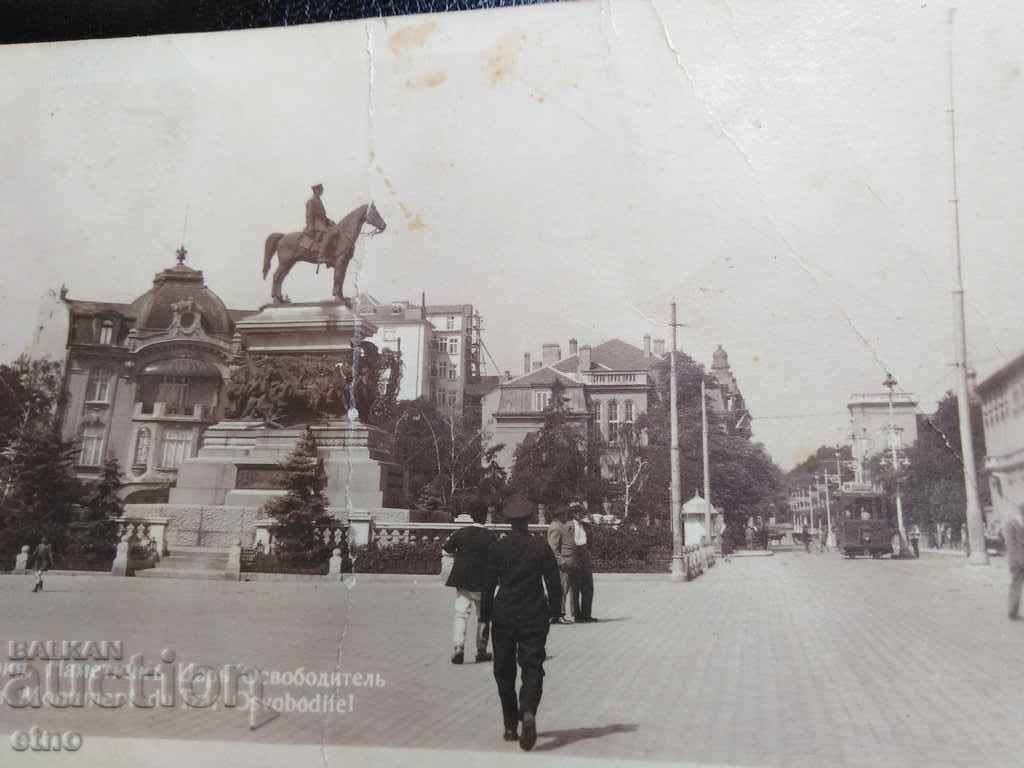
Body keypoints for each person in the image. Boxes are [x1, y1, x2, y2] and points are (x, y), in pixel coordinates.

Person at [480, 494, 562, 751]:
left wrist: (483, 619)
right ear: (528, 519)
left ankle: (509, 726)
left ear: (508, 521)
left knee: (504, 671)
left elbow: (488, 585)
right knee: (533, 667)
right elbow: (554, 583)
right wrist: (555, 611)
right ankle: (528, 711)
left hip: (503, 615)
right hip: (534, 614)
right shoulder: (541, 547)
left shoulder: (497, 548)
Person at [443, 505, 495, 665]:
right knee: (483, 616)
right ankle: (481, 649)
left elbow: (447, 549)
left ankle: (459, 647)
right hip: (483, 582)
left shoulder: (461, 532)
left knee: (461, 614)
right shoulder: (490, 536)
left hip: (463, 581)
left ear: (472, 517)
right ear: (485, 516)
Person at [546, 506, 576, 623]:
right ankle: (558, 615)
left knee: (563, 589)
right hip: (562, 565)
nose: (566, 517)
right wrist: (562, 562)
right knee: (561, 590)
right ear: (560, 515)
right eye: (565, 515)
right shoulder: (556, 527)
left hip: (566, 563)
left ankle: (558, 614)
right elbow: (553, 548)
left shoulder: (559, 526)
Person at [569, 504, 596, 622]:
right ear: (572, 514)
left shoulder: (586, 526)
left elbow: (591, 540)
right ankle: (577, 615)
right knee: (575, 587)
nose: (579, 515)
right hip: (574, 556)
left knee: (588, 587)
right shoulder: (569, 526)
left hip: (585, 554)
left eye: (580, 513)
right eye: (576, 513)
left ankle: (587, 614)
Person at [1006, 505, 1024, 621]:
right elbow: (1011, 545)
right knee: (1016, 587)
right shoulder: (1011, 524)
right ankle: (1012, 612)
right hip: (1017, 562)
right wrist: (1018, 561)